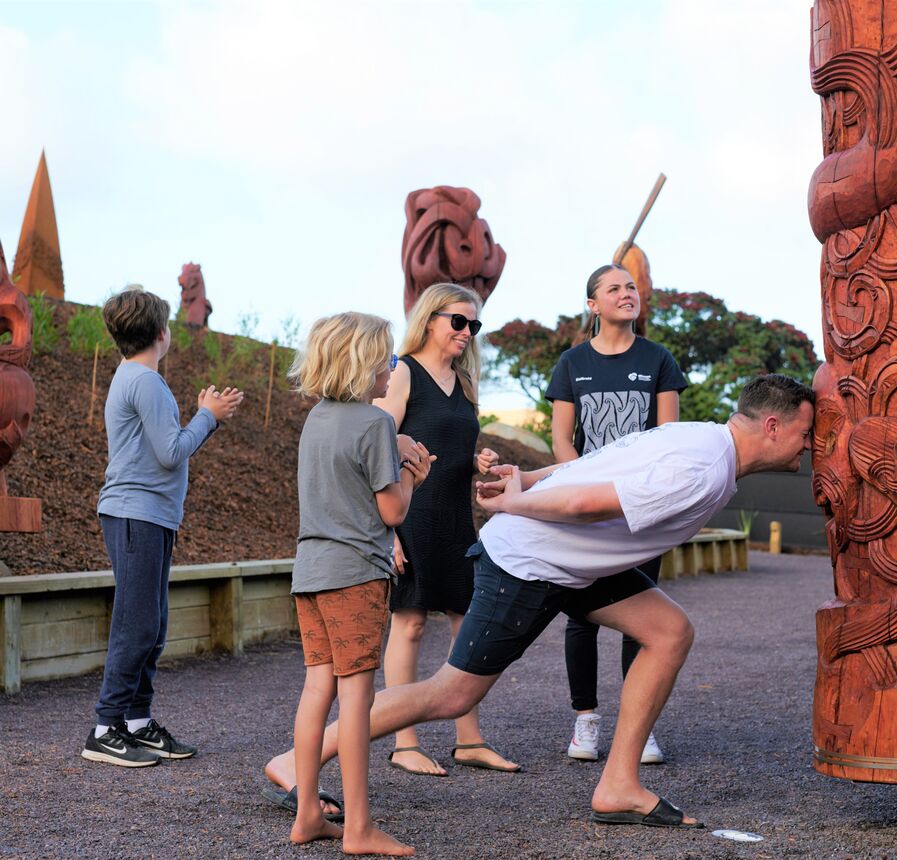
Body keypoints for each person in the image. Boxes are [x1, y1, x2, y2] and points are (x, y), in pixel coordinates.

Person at [264, 374, 815, 828]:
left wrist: (526, 478)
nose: (810, 445)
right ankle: (295, 762)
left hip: (576, 562)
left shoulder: (700, 437)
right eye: (806, 432)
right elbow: (585, 503)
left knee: (668, 631)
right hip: (530, 559)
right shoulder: (703, 467)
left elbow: (592, 465)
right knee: (451, 695)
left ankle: (619, 785)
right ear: (772, 425)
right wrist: (517, 504)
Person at [269, 312, 431, 856]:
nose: (392, 368)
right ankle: (359, 828)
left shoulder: (316, 418)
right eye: (388, 359)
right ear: (365, 364)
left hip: (310, 573)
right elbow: (392, 511)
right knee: (357, 700)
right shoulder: (374, 423)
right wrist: (412, 473)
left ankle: (307, 814)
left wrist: (393, 446)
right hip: (356, 576)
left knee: (317, 688)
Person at [82, 287, 243, 768]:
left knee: (152, 624)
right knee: (138, 624)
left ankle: (137, 721)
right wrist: (208, 417)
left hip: (148, 514)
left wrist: (202, 415)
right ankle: (105, 728)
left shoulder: (132, 376)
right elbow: (171, 451)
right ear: (160, 333)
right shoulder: (146, 381)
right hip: (136, 513)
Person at [373, 283, 518, 776]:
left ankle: (469, 740)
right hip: (411, 514)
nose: (467, 331)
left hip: (456, 519)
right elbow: (376, 445)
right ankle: (404, 743)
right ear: (429, 319)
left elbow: (445, 443)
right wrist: (387, 529)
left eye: (473, 324)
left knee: (467, 627)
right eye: (458, 321)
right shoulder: (402, 372)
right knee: (410, 624)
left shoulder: (465, 380)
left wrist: (477, 461)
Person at [547, 263, 687, 764]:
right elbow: (562, 440)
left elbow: (667, 440)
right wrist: (586, 492)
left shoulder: (658, 360)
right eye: (614, 288)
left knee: (640, 619)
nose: (627, 293)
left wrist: (637, 496)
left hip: (640, 509)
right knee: (581, 617)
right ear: (593, 304)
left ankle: (638, 727)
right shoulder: (572, 363)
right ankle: (585, 722)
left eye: (631, 287)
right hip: (588, 508)